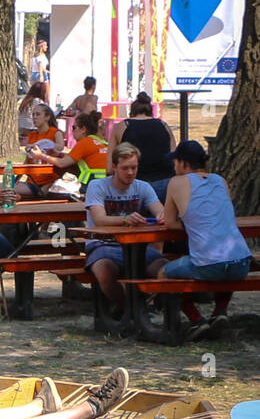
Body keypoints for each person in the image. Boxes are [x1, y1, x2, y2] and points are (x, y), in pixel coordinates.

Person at [154, 140, 254, 337]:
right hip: (242, 262)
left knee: (162, 274)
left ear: (183, 163)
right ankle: (220, 312)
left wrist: (188, 223)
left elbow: (170, 223)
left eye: (175, 162)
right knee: (227, 264)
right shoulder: (220, 180)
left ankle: (196, 320)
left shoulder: (177, 183)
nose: (173, 166)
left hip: (208, 265)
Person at [83, 142, 166, 314]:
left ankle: (159, 309)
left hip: (137, 246)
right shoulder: (97, 186)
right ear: (114, 167)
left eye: (134, 168)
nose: (130, 173)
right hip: (102, 244)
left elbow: (161, 211)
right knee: (105, 271)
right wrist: (126, 219)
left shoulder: (143, 187)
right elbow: (99, 219)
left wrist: (162, 217)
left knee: (166, 270)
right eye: (125, 168)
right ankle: (130, 310)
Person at [110, 92, 176, 201]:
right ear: (151, 112)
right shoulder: (164, 126)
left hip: (133, 185)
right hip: (165, 184)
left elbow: (109, 167)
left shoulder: (122, 127)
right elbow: (174, 159)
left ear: (132, 113)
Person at [37, 108, 107, 189]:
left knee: (54, 188)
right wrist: (58, 154)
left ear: (83, 129)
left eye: (74, 127)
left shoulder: (85, 142)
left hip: (90, 185)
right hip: (105, 185)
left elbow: (61, 163)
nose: (72, 131)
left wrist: (41, 155)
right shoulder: (102, 142)